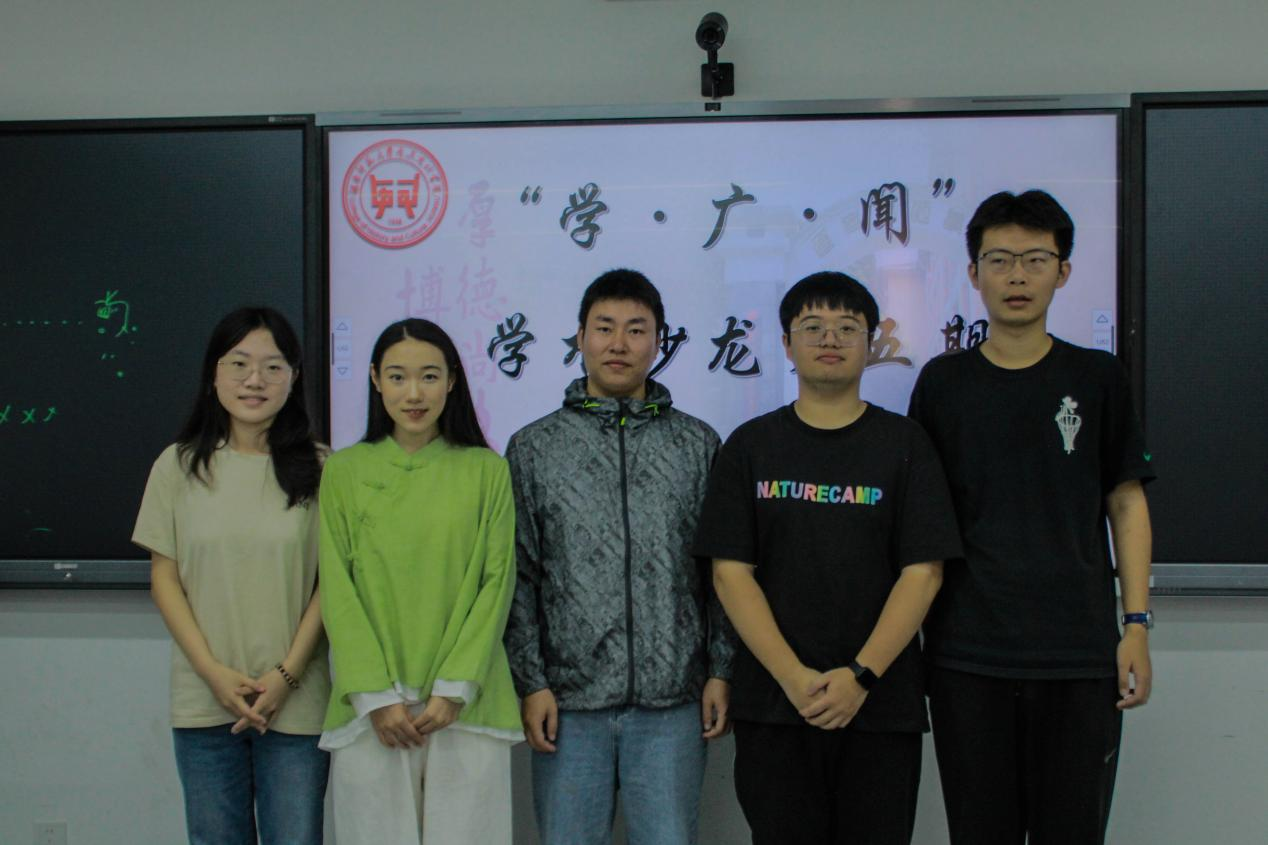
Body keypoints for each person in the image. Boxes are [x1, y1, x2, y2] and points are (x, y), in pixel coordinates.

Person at [907, 190, 1155, 844]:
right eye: (1000, 260)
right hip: (967, 653)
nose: (1017, 276)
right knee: (979, 831)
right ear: (974, 273)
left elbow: (1126, 502)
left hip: (1078, 651)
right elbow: (920, 520)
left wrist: (1135, 624)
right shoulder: (942, 384)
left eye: (1035, 260)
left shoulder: (1098, 377)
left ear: (1062, 271)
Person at [693, 272, 962, 845]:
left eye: (847, 327)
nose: (830, 339)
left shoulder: (906, 445)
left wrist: (861, 676)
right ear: (787, 345)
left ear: (871, 342)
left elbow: (924, 572)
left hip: (880, 706)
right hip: (775, 704)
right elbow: (730, 573)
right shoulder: (750, 446)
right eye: (812, 327)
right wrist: (793, 678)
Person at [503, 268, 733, 845]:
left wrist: (721, 671)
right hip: (568, 703)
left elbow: (722, 574)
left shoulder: (697, 444)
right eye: (604, 328)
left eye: (636, 329)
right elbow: (519, 575)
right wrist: (531, 682)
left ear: (658, 341)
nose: (619, 344)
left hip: (672, 702)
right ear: (580, 337)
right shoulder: (535, 447)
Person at [317, 317, 521, 844]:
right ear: (374, 379)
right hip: (371, 712)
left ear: (452, 380)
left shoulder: (487, 470)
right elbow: (337, 590)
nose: (413, 394)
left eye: (429, 376)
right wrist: (376, 697)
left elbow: (496, 584)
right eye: (397, 377)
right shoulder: (343, 471)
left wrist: (455, 689)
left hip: (466, 705)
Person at [133, 306, 330, 845]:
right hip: (205, 701)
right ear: (213, 375)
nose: (254, 380)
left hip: (295, 703)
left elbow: (330, 586)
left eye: (273, 366)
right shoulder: (177, 467)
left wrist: (286, 676)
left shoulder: (324, 469)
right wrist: (213, 674)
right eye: (239, 364)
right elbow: (164, 580)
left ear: (294, 377)